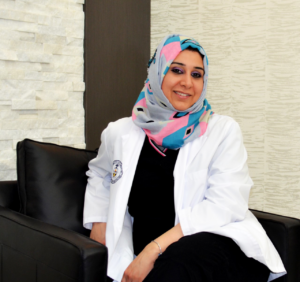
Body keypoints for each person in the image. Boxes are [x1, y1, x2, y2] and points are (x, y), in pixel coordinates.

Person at [83, 34, 286, 282]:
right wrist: (99, 221)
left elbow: (226, 205)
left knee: (178, 261)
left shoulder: (222, 130)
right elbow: (100, 174)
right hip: (157, 255)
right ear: (157, 74)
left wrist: (154, 248)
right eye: (177, 70)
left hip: (216, 246)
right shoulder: (120, 132)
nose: (187, 82)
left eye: (197, 74)